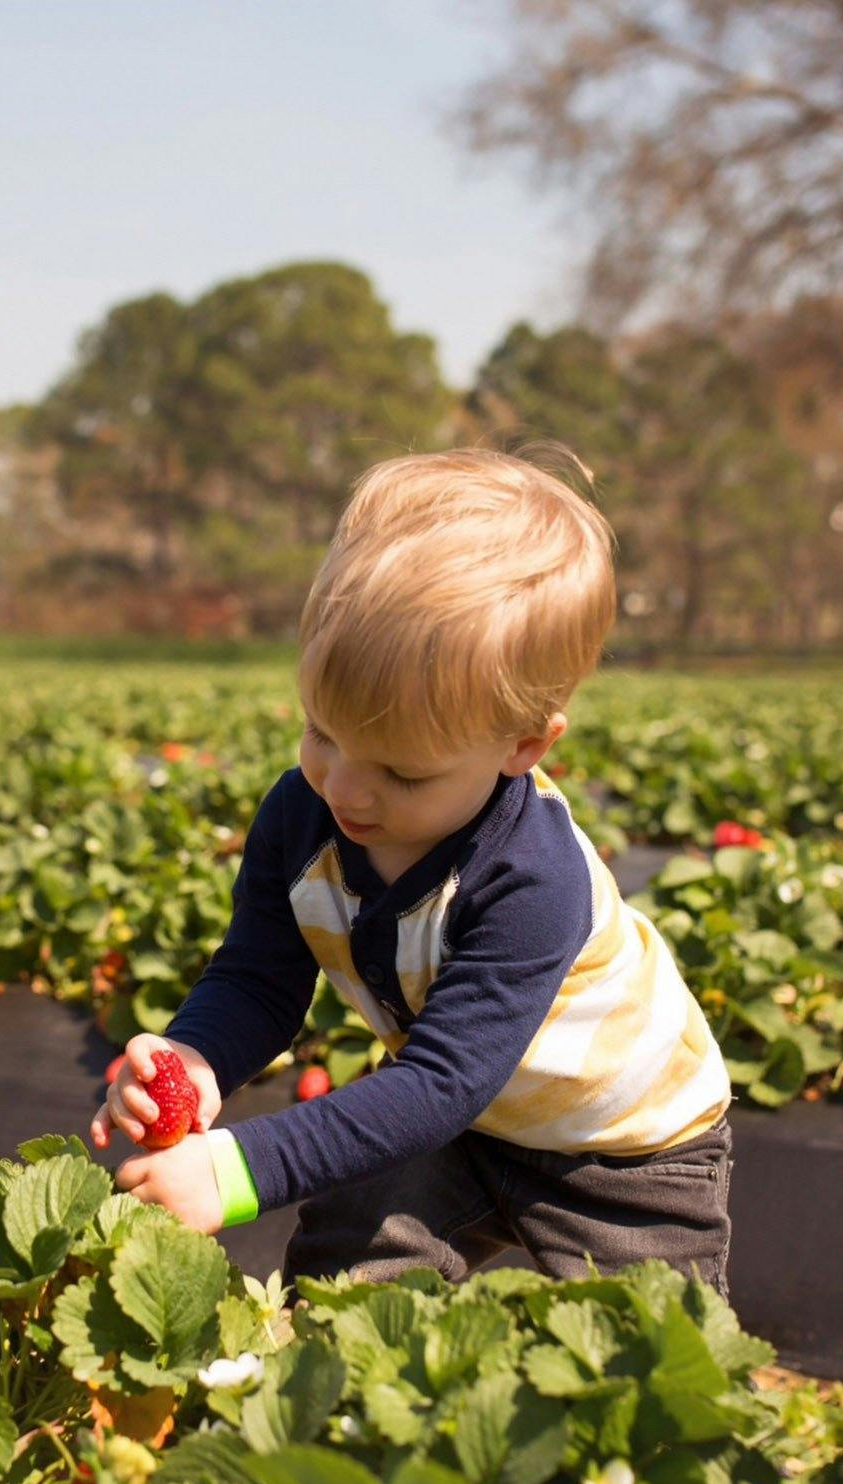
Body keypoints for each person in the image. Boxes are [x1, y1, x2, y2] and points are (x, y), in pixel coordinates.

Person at [88, 447, 735, 1293]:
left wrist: (234, 1170)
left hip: (627, 1151)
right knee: (349, 1263)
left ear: (525, 745)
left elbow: (442, 1082)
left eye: (404, 772)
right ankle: (344, 1407)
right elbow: (257, 978)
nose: (345, 788)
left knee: (656, 1368)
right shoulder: (300, 815)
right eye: (323, 732)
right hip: (460, 1123)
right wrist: (197, 1057)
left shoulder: (532, 883)